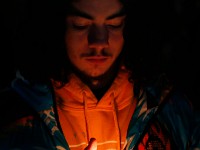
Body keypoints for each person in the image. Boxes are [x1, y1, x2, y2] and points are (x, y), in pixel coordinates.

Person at [0, 0, 199, 149]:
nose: (99, 41)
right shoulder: (16, 118)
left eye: (113, 25)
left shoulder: (172, 112)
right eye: (81, 25)